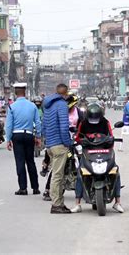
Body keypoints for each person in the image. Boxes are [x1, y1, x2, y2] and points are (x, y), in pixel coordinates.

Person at [74, 103, 124, 213]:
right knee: (79, 174)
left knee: (115, 172)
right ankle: (77, 203)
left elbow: (111, 136)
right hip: (88, 152)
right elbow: (77, 137)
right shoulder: (83, 123)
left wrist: (110, 141)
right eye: (92, 117)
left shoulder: (105, 123)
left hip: (104, 152)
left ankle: (118, 202)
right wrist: (80, 141)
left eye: (96, 117)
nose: (94, 120)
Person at [5, 82, 42, 195]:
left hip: (17, 136)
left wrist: (8, 139)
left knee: (20, 162)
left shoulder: (12, 107)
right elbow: (38, 122)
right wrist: (38, 136)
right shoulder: (32, 106)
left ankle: (23, 188)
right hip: (29, 135)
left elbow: (9, 125)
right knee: (30, 161)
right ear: (25, 92)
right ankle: (35, 187)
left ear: (16, 93)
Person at [43, 83, 72, 214]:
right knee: (58, 176)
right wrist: (68, 142)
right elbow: (64, 127)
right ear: (65, 93)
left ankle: (60, 203)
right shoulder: (62, 105)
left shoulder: (48, 105)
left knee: (57, 175)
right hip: (59, 145)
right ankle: (56, 204)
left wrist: (47, 142)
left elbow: (44, 125)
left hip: (50, 144)